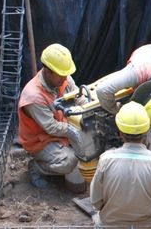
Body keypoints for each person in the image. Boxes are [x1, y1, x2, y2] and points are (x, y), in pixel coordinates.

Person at [94, 44, 151, 167]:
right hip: (145, 56)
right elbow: (102, 90)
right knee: (138, 129)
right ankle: (140, 164)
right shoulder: (137, 72)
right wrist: (117, 111)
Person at [17, 43, 94, 193]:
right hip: (40, 140)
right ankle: (37, 167)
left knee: (91, 147)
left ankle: (63, 167)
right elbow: (51, 127)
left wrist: (90, 110)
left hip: (61, 130)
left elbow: (80, 98)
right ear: (47, 71)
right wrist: (74, 132)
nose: (66, 77)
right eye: (61, 74)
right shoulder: (33, 96)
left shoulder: (62, 79)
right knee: (69, 161)